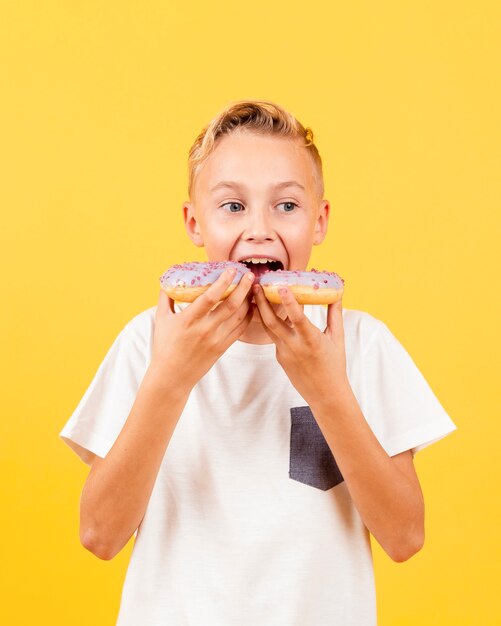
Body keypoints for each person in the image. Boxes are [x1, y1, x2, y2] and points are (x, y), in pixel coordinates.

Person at [59, 99, 458, 626]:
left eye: (287, 206)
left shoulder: (362, 346)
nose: (260, 228)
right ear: (194, 222)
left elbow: (406, 537)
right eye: (232, 206)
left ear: (320, 222)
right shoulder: (148, 343)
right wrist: (171, 378)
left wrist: (327, 389)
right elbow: (100, 536)